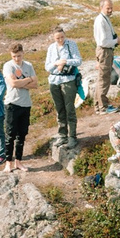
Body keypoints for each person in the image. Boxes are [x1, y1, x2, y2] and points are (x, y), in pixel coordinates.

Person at [46, 25, 85, 161]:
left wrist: (65, 61)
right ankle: (62, 135)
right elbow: (47, 66)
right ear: (53, 38)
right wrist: (58, 63)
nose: (60, 40)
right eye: (57, 38)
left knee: (70, 108)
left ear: (65, 35)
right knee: (59, 109)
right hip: (54, 80)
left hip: (68, 80)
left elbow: (78, 60)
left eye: (62, 37)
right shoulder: (51, 48)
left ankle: (72, 137)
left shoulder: (71, 45)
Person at [1, 42, 37, 172]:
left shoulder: (28, 65)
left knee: (22, 134)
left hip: (26, 104)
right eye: (14, 56)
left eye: (19, 56)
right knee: (10, 135)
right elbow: (13, 83)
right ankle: (8, 162)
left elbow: (35, 84)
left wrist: (21, 82)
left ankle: (18, 162)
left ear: (23, 54)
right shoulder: (8, 66)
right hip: (12, 104)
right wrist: (28, 79)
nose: (17, 59)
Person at [92, 0, 120, 99]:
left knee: (104, 79)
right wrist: (116, 41)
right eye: (108, 8)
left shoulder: (105, 19)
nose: (110, 10)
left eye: (111, 8)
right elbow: (103, 42)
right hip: (104, 51)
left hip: (107, 51)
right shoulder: (100, 21)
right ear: (101, 8)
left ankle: (99, 105)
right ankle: (103, 106)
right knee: (104, 79)